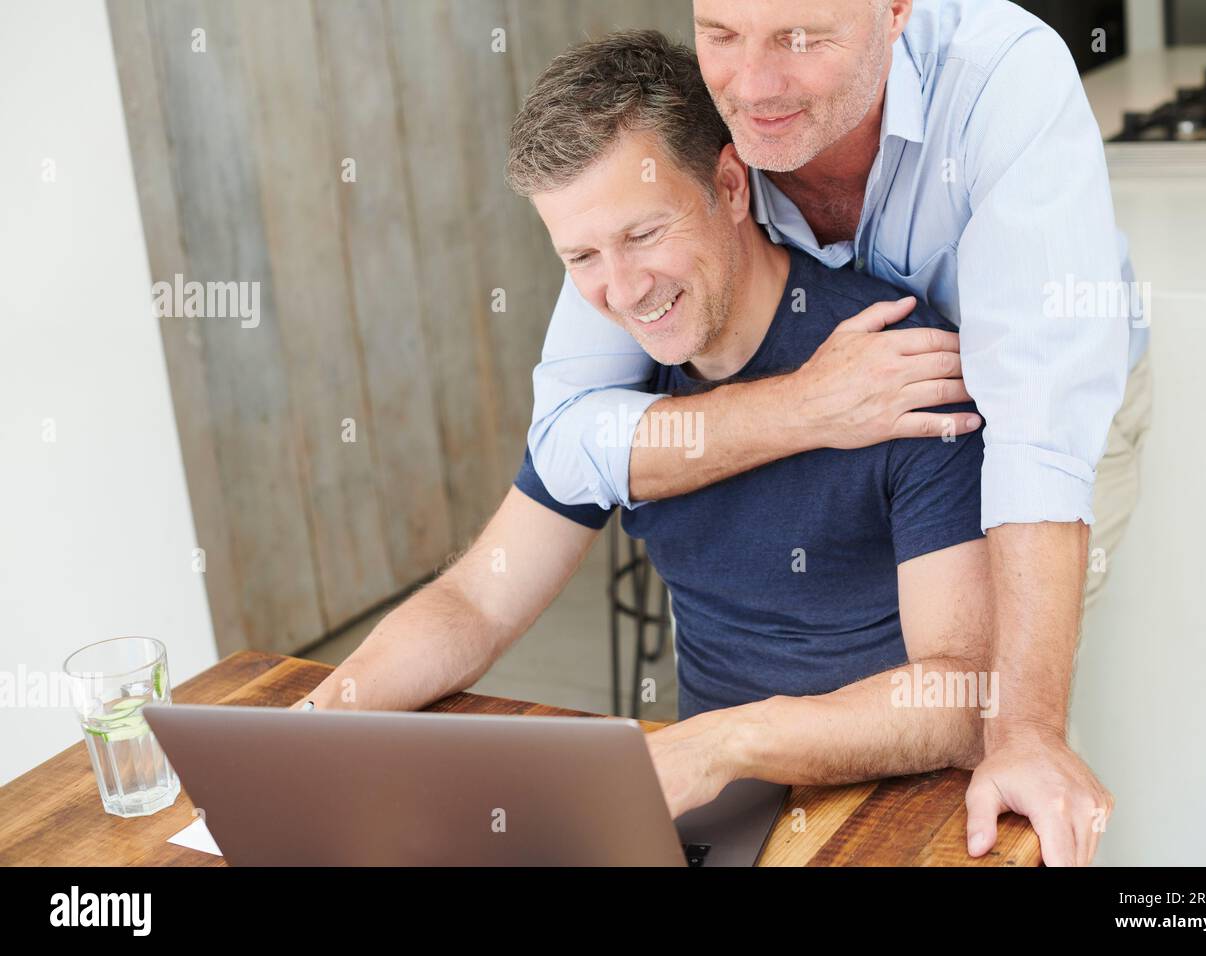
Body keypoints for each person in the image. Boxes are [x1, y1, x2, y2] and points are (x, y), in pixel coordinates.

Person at [297, 31, 1005, 832]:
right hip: (712, 807)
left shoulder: (898, 367)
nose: (624, 291)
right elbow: (478, 601)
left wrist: (721, 745)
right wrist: (320, 721)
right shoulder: (619, 389)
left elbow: (956, 694)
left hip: (885, 814)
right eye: (582, 257)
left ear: (731, 187)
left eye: (643, 235)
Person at [525, 0, 1140, 865]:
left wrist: (1026, 728)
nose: (753, 84)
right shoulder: (696, 149)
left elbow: (1039, 437)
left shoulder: (1003, 77)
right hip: (850, 401)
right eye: (722, 35)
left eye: (800, 39)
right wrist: (808, 406)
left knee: (1010, 727)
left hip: (1027, 412)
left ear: (894, 11)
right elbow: (564, 437)